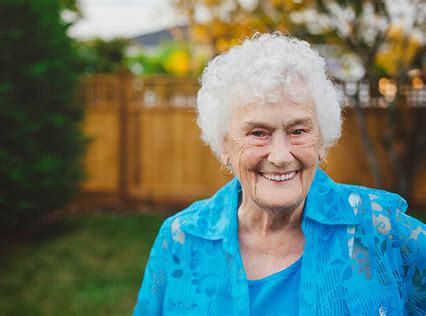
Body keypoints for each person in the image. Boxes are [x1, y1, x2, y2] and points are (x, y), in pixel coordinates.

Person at [133, 33, 426, 315]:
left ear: (321, 139)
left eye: (298, 130)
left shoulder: (381, 230)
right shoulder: (182, 238)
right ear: (224, 144)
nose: (281, 156)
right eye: (258, 133)